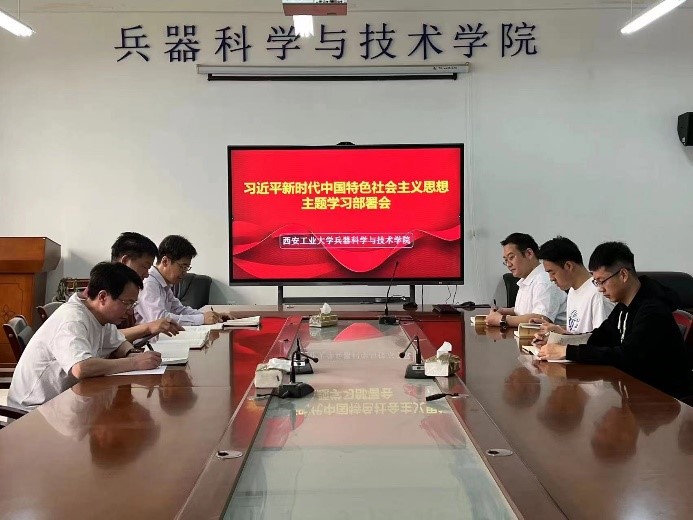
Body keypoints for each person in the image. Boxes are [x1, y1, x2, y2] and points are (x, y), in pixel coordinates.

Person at [539, 241, 693, 399]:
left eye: (602, 281)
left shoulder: (652, 309)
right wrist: (558, 341)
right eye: (596, 282)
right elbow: (599, 337)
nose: (600, 288)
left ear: (623, 275)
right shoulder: (623, 306)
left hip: (664, 398)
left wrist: (567, 352)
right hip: (636, 389)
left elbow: (627, 356)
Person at [8, 262, 162, 411]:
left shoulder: (99, 315)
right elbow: (81, 368)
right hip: (34, 411)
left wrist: (131, 353)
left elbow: (118, 342)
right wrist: (134, 362)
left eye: (133, 304)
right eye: (127, 303)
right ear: (103, 297)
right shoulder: (72, 319)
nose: (130, 310)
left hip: (65, 401)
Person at [532, 236, 614, 342]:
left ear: (568, 266)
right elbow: (578, 332)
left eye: (552, 272)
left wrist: (563, 334)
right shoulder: (572, 290)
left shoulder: (599, 293)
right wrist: (554, 331)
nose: (551, 278)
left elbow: (602, 341)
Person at [135, 235, 229, 326]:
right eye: (182, 267)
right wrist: (202, 319)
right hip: (148, 337)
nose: (185, 272)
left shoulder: (164, 284)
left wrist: (213, 315)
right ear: (165, 261)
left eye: (187, 267)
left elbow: (179, 310)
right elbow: (159, 319)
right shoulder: (149, 282)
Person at [110, 232, 184, 341]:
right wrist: (148, 327)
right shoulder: (104, 290)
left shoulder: (127, 290)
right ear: (125, 261)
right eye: (145, 267)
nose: (147, 274)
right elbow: (107, 338)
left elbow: (113, 339)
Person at [486, 232, 567, 328]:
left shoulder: (544, 280)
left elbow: (540, 319)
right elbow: (524, 311)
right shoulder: (527, 279)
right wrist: (504, 311)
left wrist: (502, 319)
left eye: (511, 257)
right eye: (506, 260)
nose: (508, 264)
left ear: (529, 253)